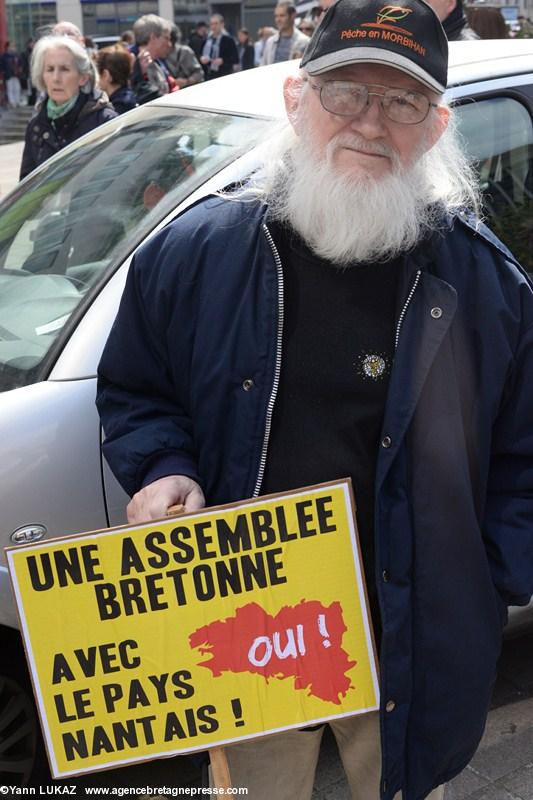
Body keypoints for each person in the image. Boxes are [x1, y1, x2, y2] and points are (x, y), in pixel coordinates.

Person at [96, 0, 533, 797]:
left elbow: (526, 455)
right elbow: (136, 388)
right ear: (298, 102)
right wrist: (162, 465)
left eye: (400, 101)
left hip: (406, 635)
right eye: (345, 93)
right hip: (248, 625)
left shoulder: (485, 285)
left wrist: (485, 581)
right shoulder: (194, 254)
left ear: (433, 129)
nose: (370, 123)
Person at [20, 35, 117, 179]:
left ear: (83, 78)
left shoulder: (104, 121)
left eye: (64, 69)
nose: (56, 78)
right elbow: (27, 184)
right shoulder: (36, 126)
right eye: (50, 69)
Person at [131, 14, 175, 104]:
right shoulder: (130, 61)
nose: (169, 44)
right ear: (153, 37)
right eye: (166, 38)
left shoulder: (158, 61)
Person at [96, 45, 137, 114]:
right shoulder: (127, 97)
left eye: (97, 73)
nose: (96, 79)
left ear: (106, 75)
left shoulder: (118, 107)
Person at [200, 14, 239, 79]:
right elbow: (200, 54)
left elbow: (236, 59)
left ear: (222, 24)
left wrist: (223, 60)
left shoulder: (229, 40)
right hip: (208, 75)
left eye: (216, 23)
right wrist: (201, 59)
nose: (213, 26)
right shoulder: (206, 39)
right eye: (212, 24)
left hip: (224, 74)